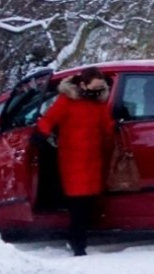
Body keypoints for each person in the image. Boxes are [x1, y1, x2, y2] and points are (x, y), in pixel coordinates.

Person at [36, 67, 114, 256]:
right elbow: (49, 119)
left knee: (87, 203)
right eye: (94, 87)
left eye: (100, 88)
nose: (97, 92)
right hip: (72, 160)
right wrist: (40, 134)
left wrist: (117, 128)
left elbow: (107, 127)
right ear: (83, 85)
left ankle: (78, 239)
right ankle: (78, 243)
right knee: (78, 203)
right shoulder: (66, 101)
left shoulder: (99, 104)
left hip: (93, 159)